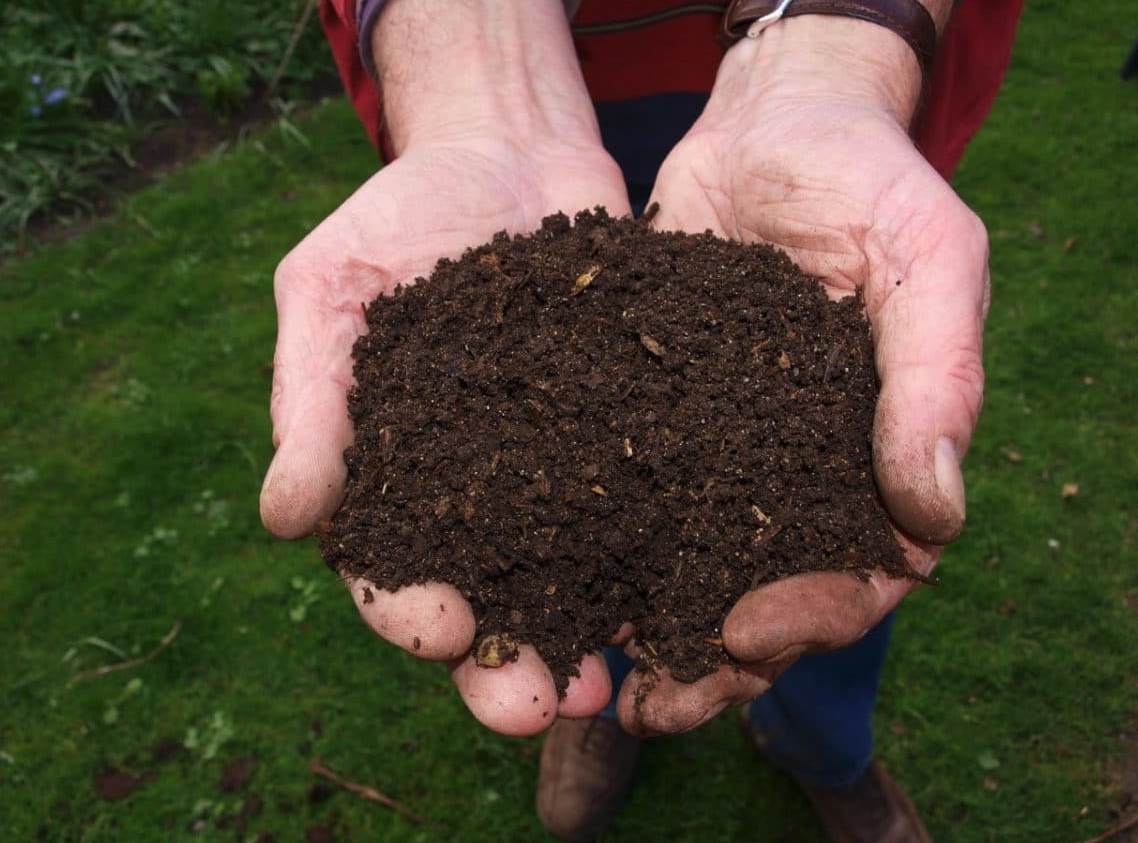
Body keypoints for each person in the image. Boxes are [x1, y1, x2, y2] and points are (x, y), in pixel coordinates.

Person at [260, 1, 1024, 840]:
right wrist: (478, 60)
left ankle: (826, 750)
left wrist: (836, 45)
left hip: (839, 60)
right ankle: (591, 689)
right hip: (558, 63)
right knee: (606, 571)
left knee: (844, 542)